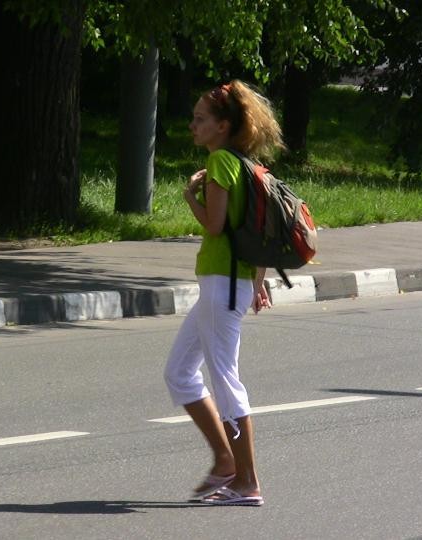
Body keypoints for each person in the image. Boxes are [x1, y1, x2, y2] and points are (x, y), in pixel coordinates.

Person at [163, 80, 285, 507]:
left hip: (221, 286)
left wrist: (189, 196)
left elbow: (214, 226)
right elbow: (260, 234)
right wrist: (258, 280)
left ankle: (247, 480)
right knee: (179, 372)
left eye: (200, 119)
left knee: (226, 382)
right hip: (227, 285)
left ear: (222, 126)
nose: (193, 125)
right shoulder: (247, 166)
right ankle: (224, 461)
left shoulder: (220, 165)